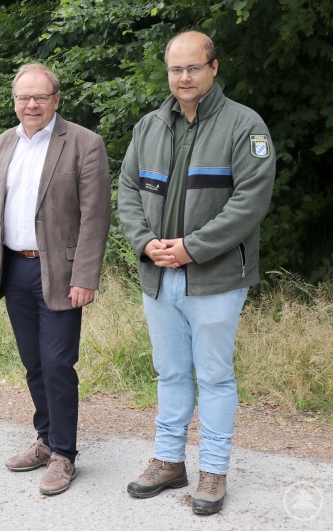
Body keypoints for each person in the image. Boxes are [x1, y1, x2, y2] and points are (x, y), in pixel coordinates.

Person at [118, 31, 276, 515]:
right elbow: (127, 188)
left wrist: (192, 248)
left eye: (192, 68)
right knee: (169, 372)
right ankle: (169, 461)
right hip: (159, 275)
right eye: (175, 69)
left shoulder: (244, 125)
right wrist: (146, 243)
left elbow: (250, 203)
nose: (183, 78)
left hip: (216, 277)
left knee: (214, 376)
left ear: (214, 68)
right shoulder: (148, 127)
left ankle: (213, 469)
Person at [0, 63, 111, 496]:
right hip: (14, 269)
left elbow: (95, 218)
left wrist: (85, 275)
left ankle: (65, 455)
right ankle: (46, 440)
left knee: (56, 362)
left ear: (56, 99)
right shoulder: (3, 143)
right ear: (14, 101)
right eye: (23, 98)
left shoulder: (84, 144)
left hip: (61, 272)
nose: (30, 105)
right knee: (33, 362)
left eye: (39, 97)